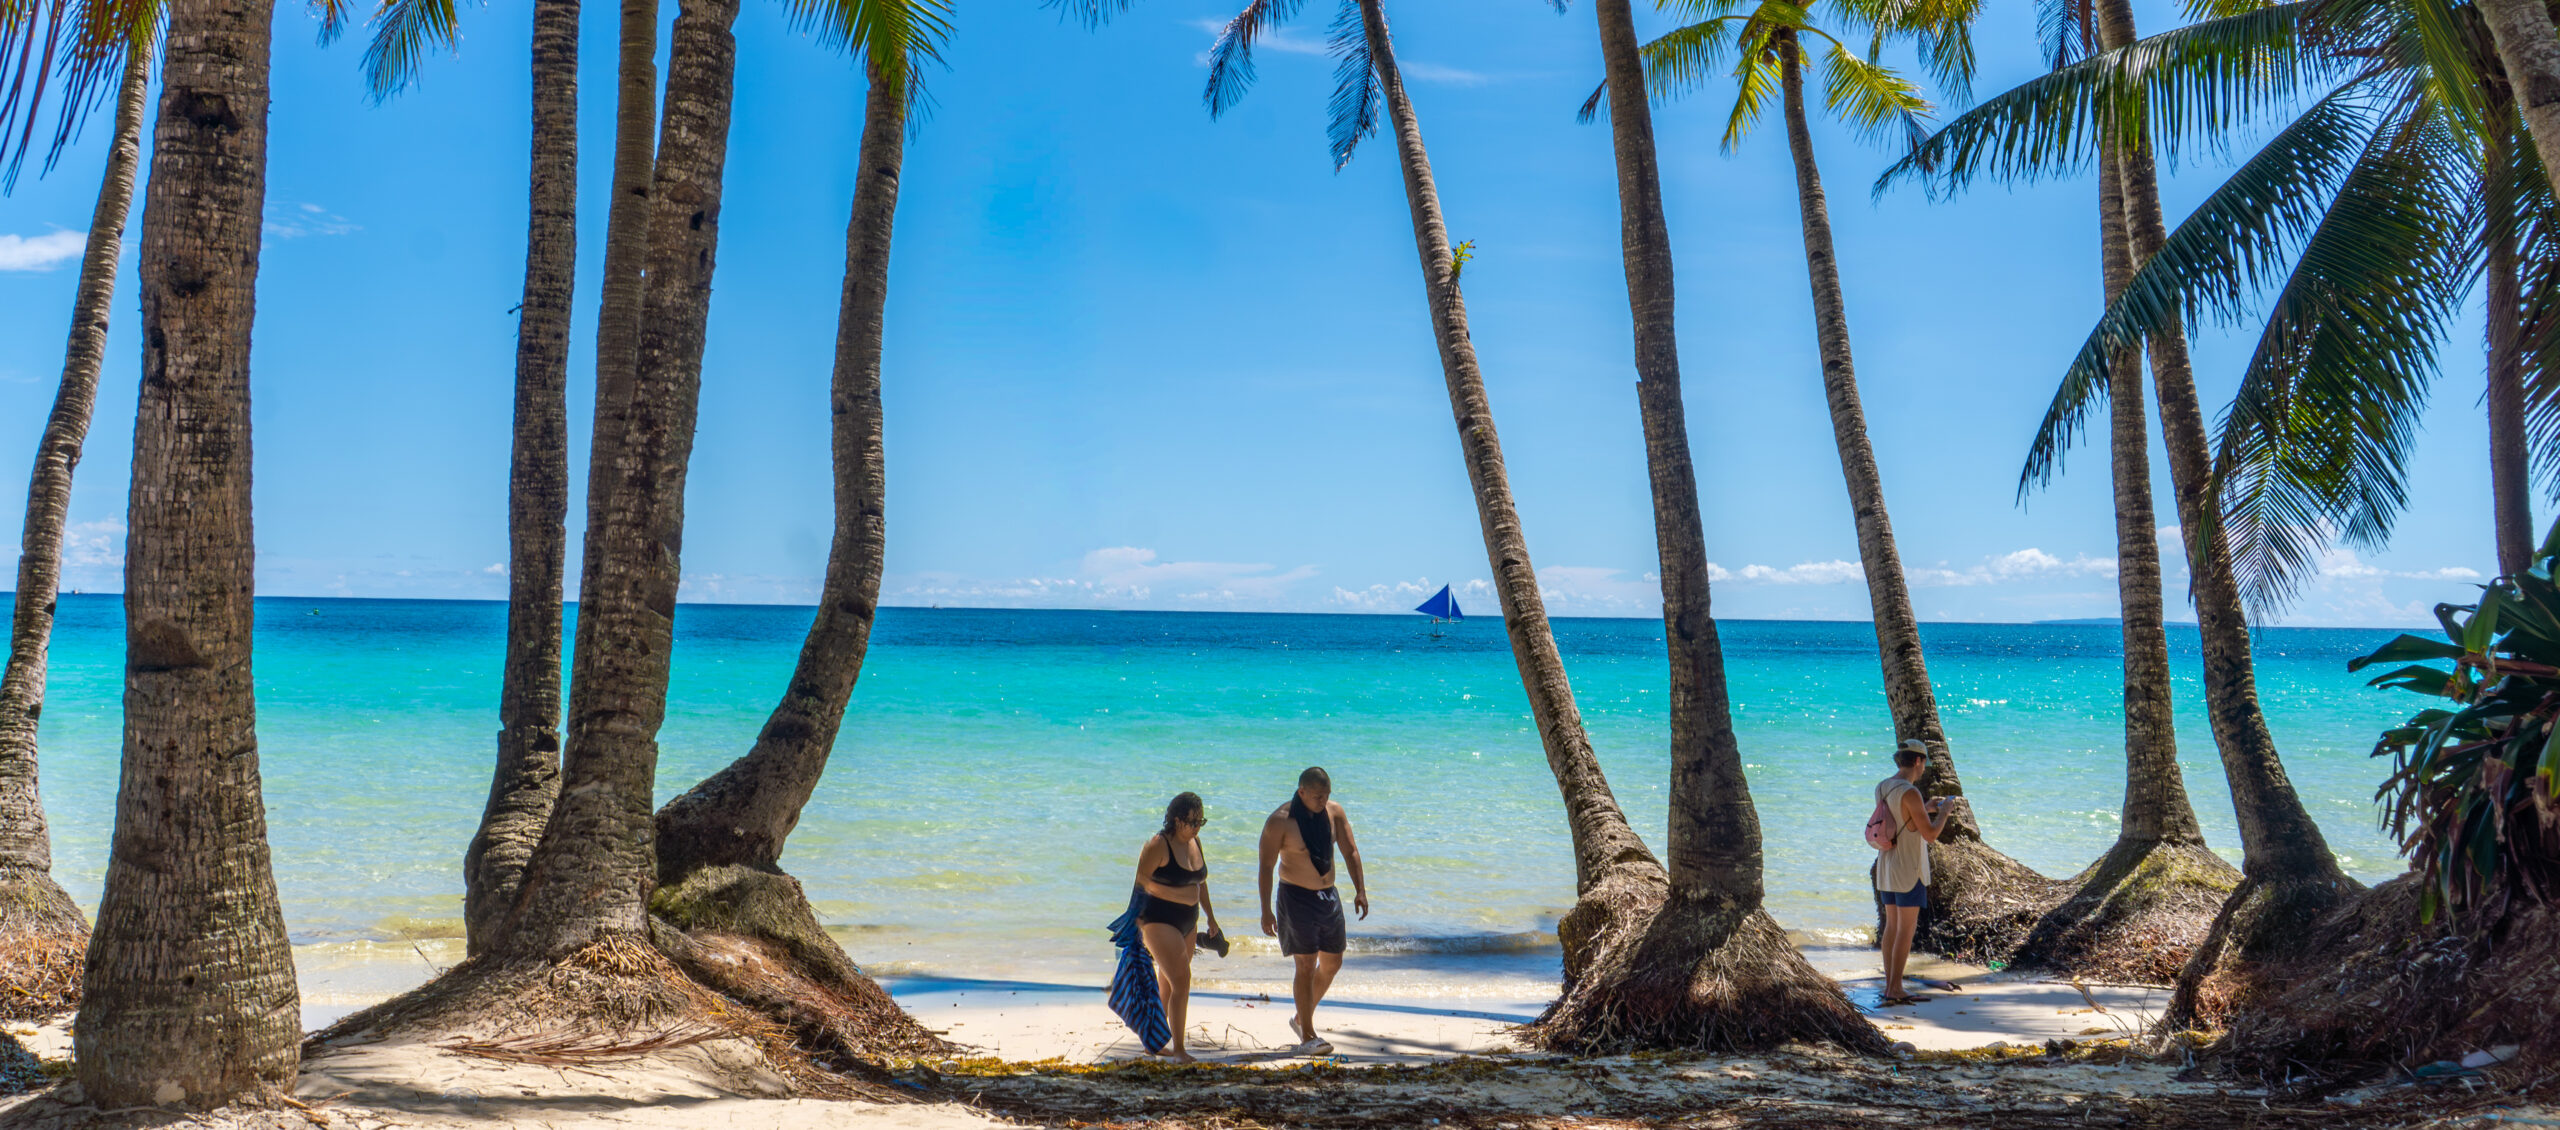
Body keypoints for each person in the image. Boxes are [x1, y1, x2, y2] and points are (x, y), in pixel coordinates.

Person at [1258, 766, 1367, 1056]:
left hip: (1327, 896)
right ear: (1302, 792)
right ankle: (1308, 1034)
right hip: (1295, 897)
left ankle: (1299, 1018)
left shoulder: (1334, 812)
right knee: (1305, 965)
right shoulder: (1280, 821)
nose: (1323, 801)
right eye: (1318, 796)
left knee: (1332, 963)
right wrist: (1266, 910)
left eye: (1327, 795)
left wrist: (1360, 890)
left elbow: (1350, 851)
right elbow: (1266, 866)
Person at [1133, 791, 1221, 1062]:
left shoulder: (1196, 842)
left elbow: (1200, 883)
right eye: (1192, 822)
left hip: (1188, 922)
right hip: (1158, 919)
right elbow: (1141, 884)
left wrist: (1211, 917)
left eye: (1201, 821)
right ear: (1176, 820)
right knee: (1182, 981)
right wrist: (1133, 926)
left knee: (1170, 984)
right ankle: (1179, 1050)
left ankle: (1153, 1042)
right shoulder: (1158, 845)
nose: (1196, 827)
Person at [1875, 738, 1960, 1006]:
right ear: (1918, 761)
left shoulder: (1883, 786)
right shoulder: (1910, 792)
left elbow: (1899, 817)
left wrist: (1925, 808)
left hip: (1887, 865)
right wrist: (1944, 812)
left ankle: (1890, 987)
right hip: (1909, 868)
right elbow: (1930, 834)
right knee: (1906, 929)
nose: (1924, 769)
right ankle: (1896, 988)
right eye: (1924, 763)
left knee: (1891, 927)